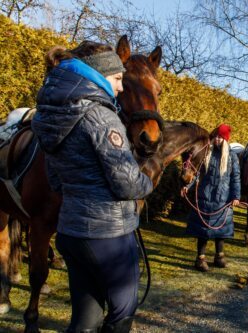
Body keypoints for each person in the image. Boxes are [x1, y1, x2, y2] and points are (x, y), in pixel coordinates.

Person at [31, 41, 153, 333]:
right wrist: (147, 180)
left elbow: (55, 179)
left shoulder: (52, 115)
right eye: (117, 79)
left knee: (85, 320)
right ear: (98, 75)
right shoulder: (101, 116)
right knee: (122, 312)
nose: (121, 88)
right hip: (107, 236)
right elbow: (127, 183)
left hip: (72, 231)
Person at [183, 124, 241, 272]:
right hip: (205, 196)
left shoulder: (232, 157)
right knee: (203, 231)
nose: (217, 139)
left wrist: (236, 196)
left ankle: (219, 256)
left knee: (221, 230)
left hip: (224, 198)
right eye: (215, 136)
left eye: (220, 137)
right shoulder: (206, 154)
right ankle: (200, 259)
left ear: (225, 140)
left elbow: (236, 178)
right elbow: (196, 175)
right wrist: (187, 187)